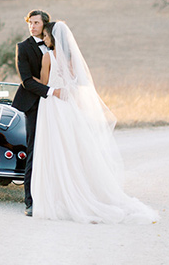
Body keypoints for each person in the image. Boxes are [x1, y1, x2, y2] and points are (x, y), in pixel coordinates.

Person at [28, 19, 158, 224]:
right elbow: (75, 83)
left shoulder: (47, 57)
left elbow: (44, 84)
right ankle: (83, 191)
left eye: (45, 35)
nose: (43, 39)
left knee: (53, 149)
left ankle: (58, 196)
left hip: (52, 106)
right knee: (72, 149)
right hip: (68, 107)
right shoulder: (71, 60)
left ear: (52, 37)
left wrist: (29, 81)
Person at [11, 9, 55, 217]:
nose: (33, 26)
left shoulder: (55, 47)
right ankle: (30, 201)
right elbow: (26, 81)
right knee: (34, 151)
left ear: (45, 25)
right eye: (30, 23)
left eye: (36, 23)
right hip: (34, 105)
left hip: (56, 106)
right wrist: (51, 92)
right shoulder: (23, 47)